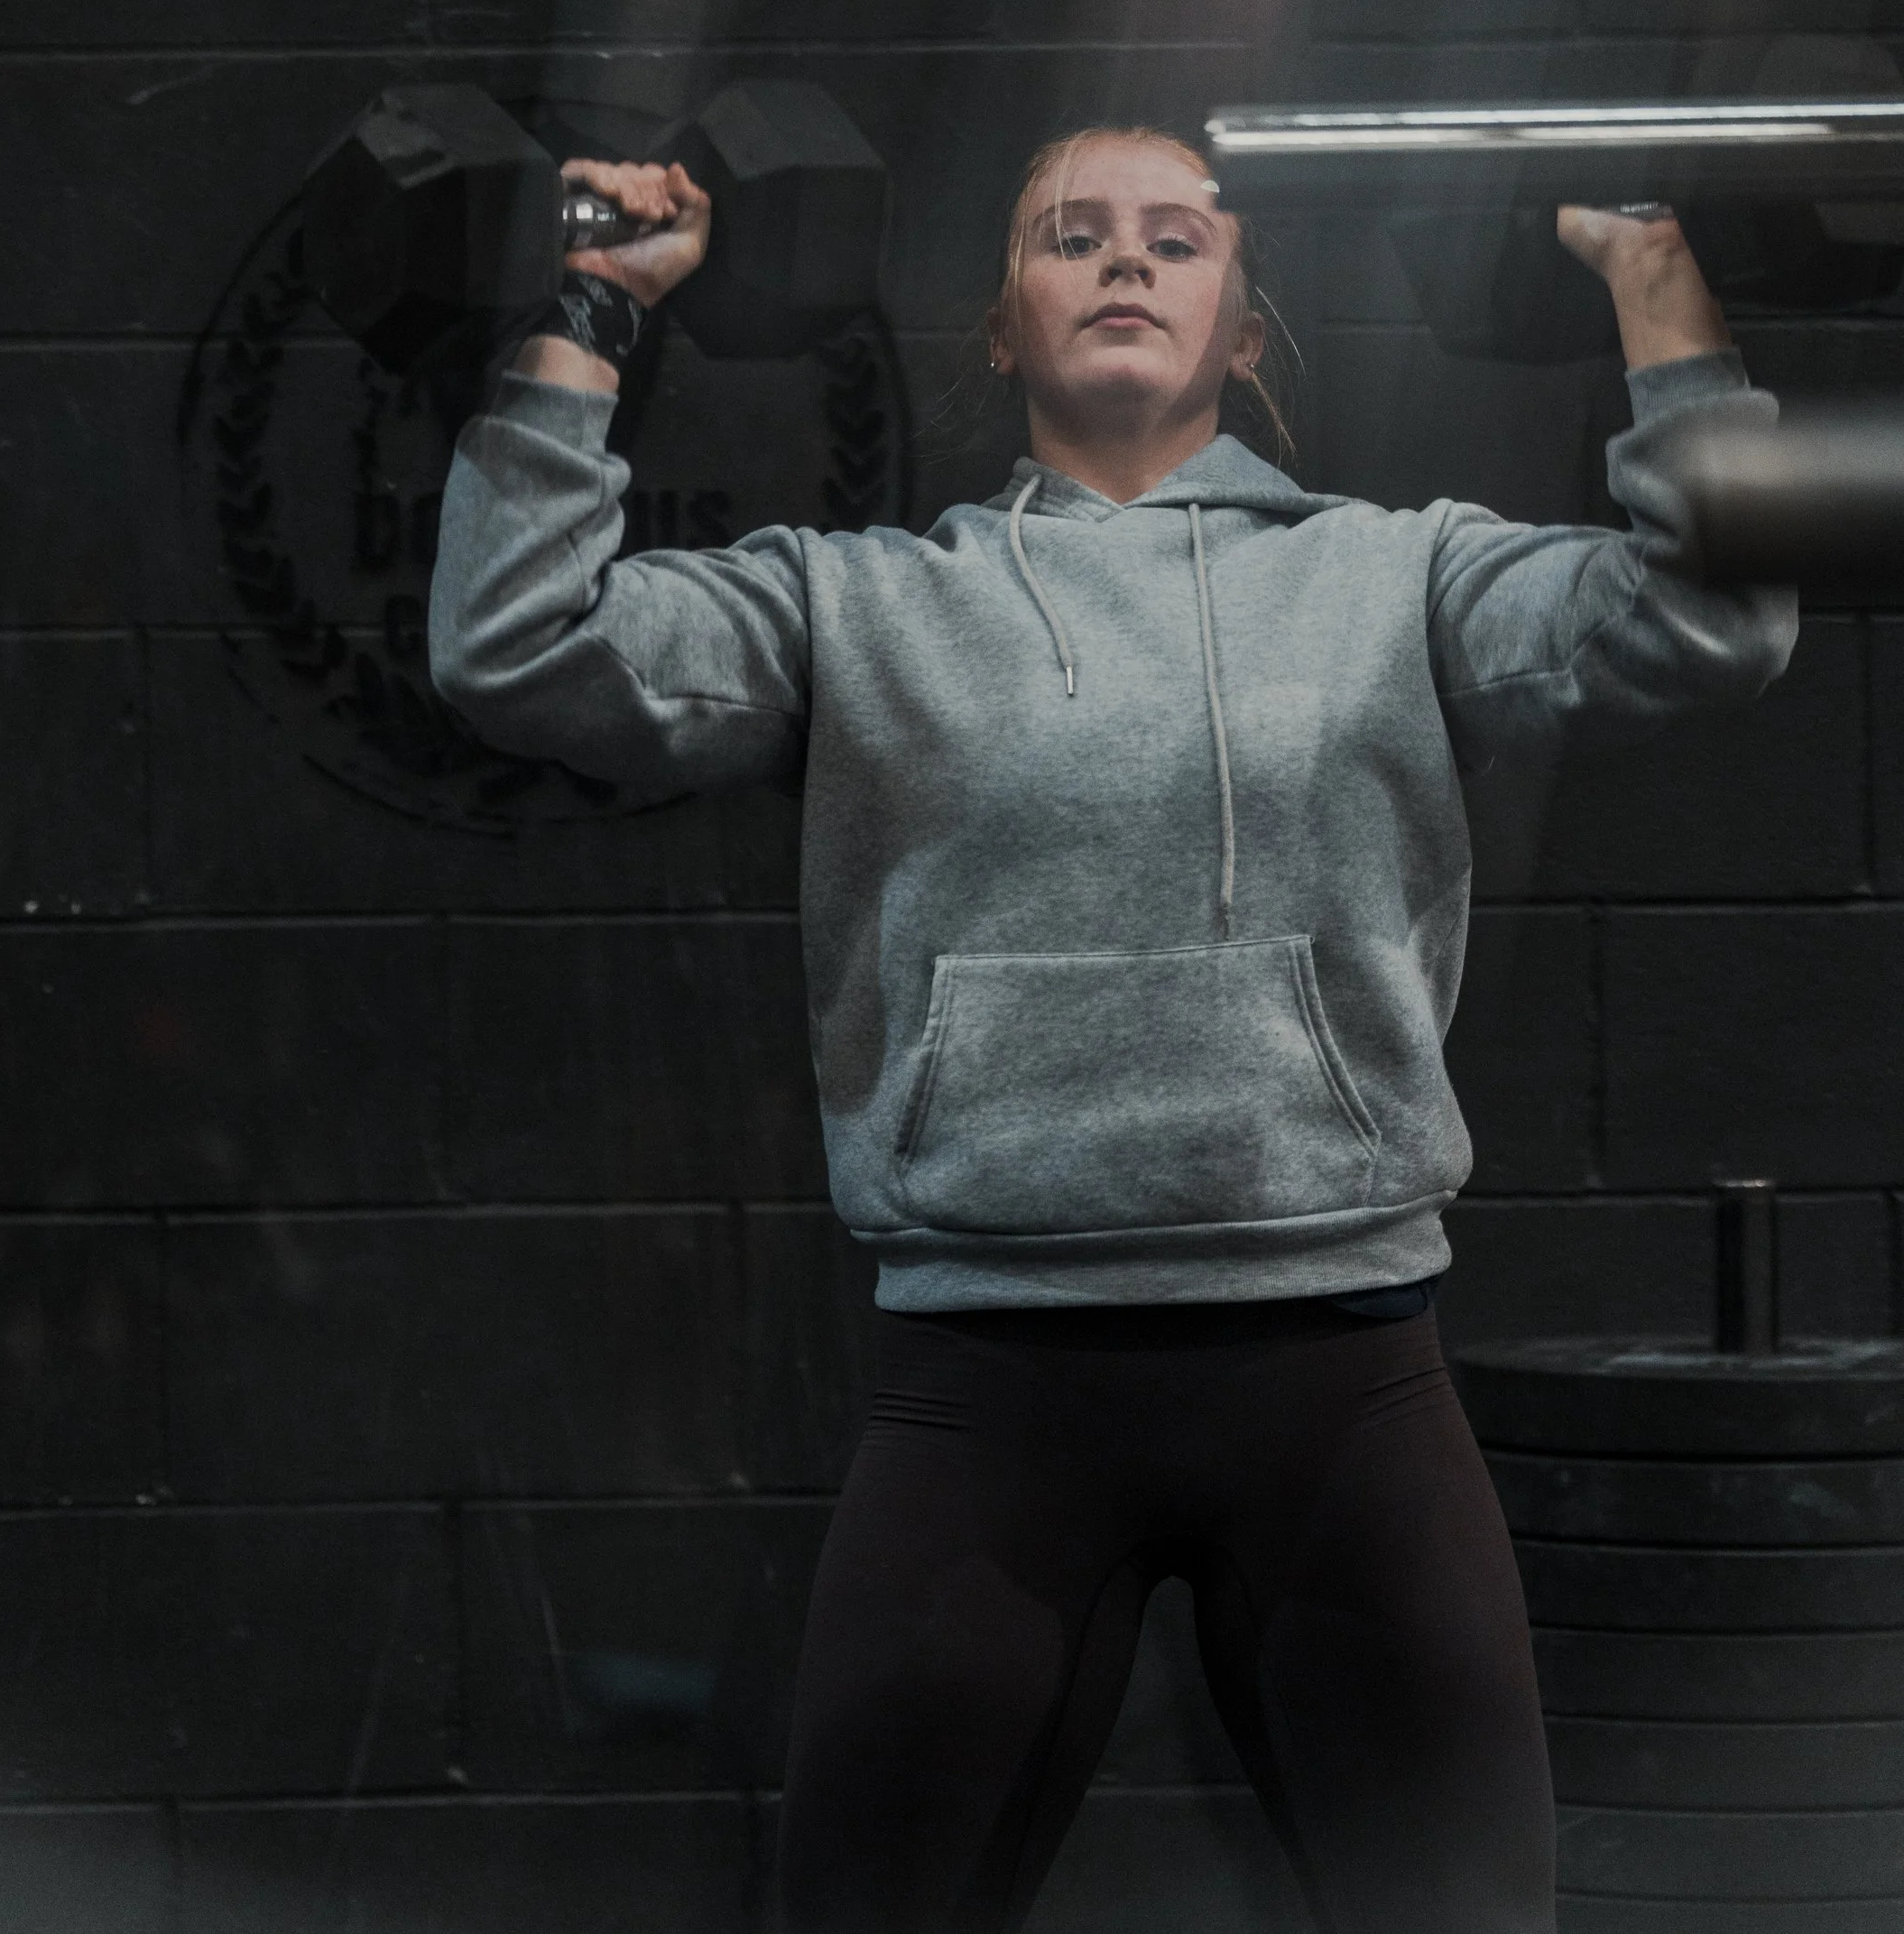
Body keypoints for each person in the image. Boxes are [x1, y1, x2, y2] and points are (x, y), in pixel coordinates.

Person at [428, 125, 1794, 1934]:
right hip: (990, 1392)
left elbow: (1711, 618)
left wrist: (1651, 293)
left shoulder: (1399, 578)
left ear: (1240, 326)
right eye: (1069, 236)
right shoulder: (863, 603)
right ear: (1003, 326)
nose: (1124, 261)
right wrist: (594, 295)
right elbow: (514, 645)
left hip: (1338, 1379)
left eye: (1172, 235)